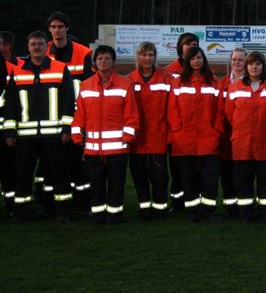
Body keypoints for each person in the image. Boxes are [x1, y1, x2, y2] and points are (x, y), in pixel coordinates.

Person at [3, 31, 75, 222]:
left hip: (54, 134)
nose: (37, 48)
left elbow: (68, 101)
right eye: (33, 44)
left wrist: (67, 128)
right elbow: (11, 104)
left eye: (41, 44)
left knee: (58, 174)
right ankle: (22, 212)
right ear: (28, 47)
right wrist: (9, 131)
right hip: (25, 136)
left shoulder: (60, 69)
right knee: (23, 175)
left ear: (46, 47)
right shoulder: (17, 72)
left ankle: (61, 211)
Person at [71, 45, 139, 224]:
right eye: (100, 58)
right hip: (92, 148)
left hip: (118, 147)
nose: (103, 61)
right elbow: (80, 114)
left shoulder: (125, 84)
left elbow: (132, 115)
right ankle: (98, 214)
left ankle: (114, 214)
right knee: (96, 184)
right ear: (95, 62)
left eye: (107, 58)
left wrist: (128, 137)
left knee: (116, 184)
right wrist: (77, 135)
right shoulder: (85, 85)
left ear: (113, 62)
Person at [225, 51, 266, 224]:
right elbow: (230, 114)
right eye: (251, 63)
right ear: (247, 66)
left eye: (258, 63)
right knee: (243, 182)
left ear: (263, 66)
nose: (254, 67)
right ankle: (246, 214)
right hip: (242, 143)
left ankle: (265, 214)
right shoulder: (235, 87)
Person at [167, 46, 222, 222]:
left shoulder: (214, 81)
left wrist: (216, 129)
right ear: (187, 62)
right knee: (188, 178)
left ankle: (207, 211)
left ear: (203, 59)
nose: (196, 61)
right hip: (185, 138)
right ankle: (193, 211)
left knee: (210, 178)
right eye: (192, 58)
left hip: (209, 137)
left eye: (199, 57)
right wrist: (177, 129)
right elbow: (172, 109)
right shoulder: (178, 82)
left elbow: (220, 109)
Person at [46, 11, 93, 214]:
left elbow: (89, 86)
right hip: (50, 117)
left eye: (60, 26)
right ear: (49, 29)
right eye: (53, 27)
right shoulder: (43, 50)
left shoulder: (83, 53)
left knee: (79, 163)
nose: (57, 30)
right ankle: (51, 204)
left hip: (78, 115)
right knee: (52, 164)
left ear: (67, 28)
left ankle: (83, 203)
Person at [128, 42, 171, 220]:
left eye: (150, 55)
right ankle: (144, 208)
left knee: (160, 176)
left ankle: (160, 208)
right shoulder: (129, 80)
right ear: (138, 57)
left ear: (155, 57)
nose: (147, 58)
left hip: (158, 136)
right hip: (136, 138)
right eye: (144, 55)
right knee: (139, 176)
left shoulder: (166, 78)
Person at [164, 32, 199, 214]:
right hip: (175, 130)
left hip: (197, 131)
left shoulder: (201, 68)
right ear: (180, 47)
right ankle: (177, 202)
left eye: (195, 43)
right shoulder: (169, 71)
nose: (192, 46)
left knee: (194, 169)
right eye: (188, 44)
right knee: (177, 170)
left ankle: (194, 200)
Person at [216, 47, 247, 218]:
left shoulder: (252, 82)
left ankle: (246, 205)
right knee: (227, 174)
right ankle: (230, 208)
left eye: (241, 59)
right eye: (234, 59)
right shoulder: (221, 83)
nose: (237, 62)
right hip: (226, 137)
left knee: (244, 174)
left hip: (245, 136)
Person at [0, 31, 18, 217]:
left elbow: (12, 105)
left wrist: (10, 131)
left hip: (5, 131)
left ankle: (11, 205)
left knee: (8, 170)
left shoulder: (13, 71)